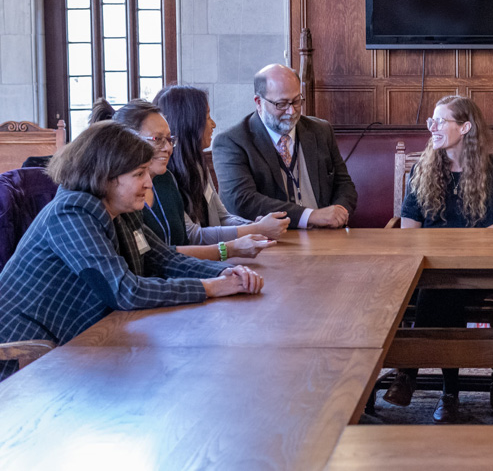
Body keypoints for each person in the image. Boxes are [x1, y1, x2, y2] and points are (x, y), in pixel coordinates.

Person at [0, 121, 264, 380]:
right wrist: (210, 287)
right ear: (105, 177)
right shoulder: (72, 213)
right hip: (24, 358)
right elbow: (124, 291)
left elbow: (163, 259)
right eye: (139, 174)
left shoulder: (118, 208)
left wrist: (226, 271)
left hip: (75, 346)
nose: (149, 183)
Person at [382, 96, 493, 423]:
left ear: (465, 127)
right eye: (432, 120)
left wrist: (467, 244)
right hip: (428, 270)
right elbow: (409, 226)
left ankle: (408, 375)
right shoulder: (424, 167)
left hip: (478, 269)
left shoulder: (492, 168)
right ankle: (449, 391)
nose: (433, 127)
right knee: (439, 287)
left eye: (441, 121)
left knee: (445, 288)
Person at [95, 99, 277, 262]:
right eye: (157, 139)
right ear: (129, 139)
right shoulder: (117, 194)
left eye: (169, 139)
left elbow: (177, 246)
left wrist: (253, 229)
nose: (167, 148)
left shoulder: (166, 178)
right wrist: (231, 248)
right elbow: (153, 261)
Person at [213, 64, 357, 229]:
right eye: (281, 104)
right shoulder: (232, 142)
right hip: (267, 243)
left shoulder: (321, 131)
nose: (291, 111)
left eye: (296, 101)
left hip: (325, 237)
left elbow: (344, 184)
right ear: (258, 102)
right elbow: (242, 201)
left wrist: (339, 211)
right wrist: (311, 216)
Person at [154, 85, 291, 240]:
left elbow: (222, 217)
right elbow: (192, 236)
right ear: (188, 123)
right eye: (207, 117)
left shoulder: (197, 164)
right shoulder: (164, 174)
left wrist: (253, 226)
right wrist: (255, 228)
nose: (213, 124)